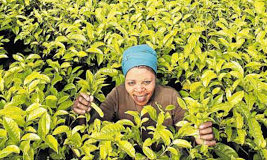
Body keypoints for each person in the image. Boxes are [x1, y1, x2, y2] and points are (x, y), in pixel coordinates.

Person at [72, 44, 217, 147]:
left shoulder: (171, 96)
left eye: (147, 82)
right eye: (131, 83)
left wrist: (198, 137)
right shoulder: (117, 94)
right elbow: (94, 129)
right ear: (125, 81)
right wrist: (82, 113)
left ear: (156, 79)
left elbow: (186, 133)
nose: (139, 89)